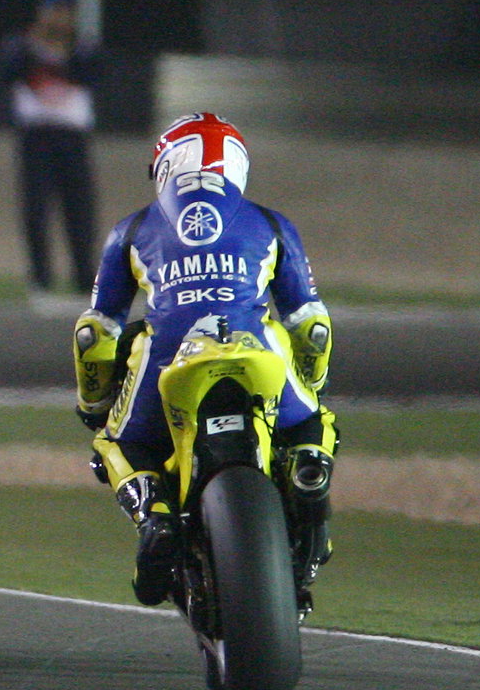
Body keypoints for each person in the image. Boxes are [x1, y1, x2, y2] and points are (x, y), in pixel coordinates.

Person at [72, 112, 337, 606]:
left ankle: (155, 517)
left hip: (168, 361)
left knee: (115, 442)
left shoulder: (130, 231)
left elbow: (95, 332)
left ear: (167, 166)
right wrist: (312, 378)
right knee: (314, 419)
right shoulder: (271, 223)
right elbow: (311, 322)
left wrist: (93, 399)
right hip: (258, 352)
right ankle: (309, 469)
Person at [2, 0, 101, 296]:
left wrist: (64, 50)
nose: (58, 19)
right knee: (36, 209)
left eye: (63, 12)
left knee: (80, 210)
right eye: (52, 12)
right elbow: (10, 71)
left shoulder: (83, 50)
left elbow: (91, 73)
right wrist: (38, 45)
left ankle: (85, 278)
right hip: (36, 137)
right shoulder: (22, 48)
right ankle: (41, 278)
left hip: (72, 137)